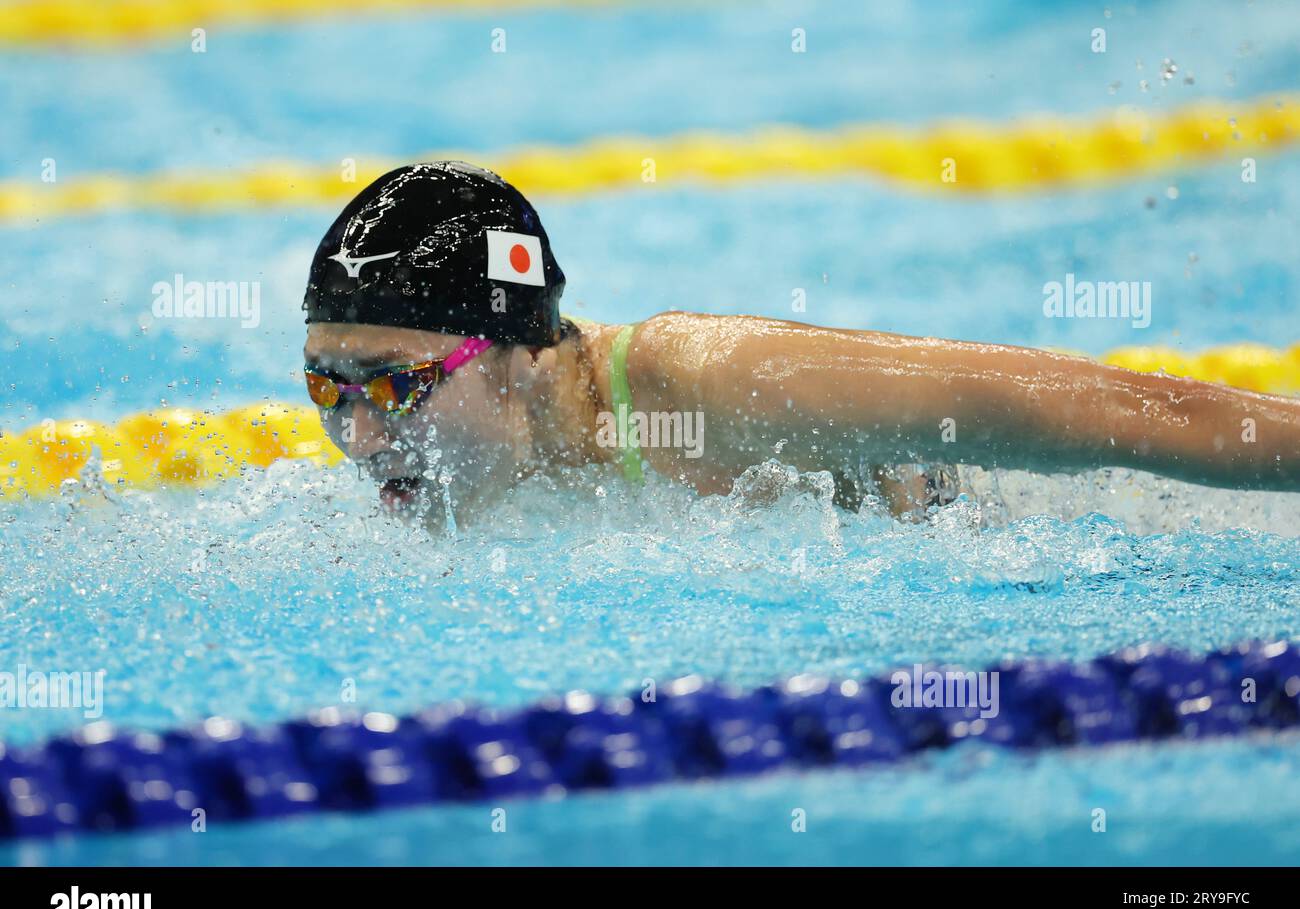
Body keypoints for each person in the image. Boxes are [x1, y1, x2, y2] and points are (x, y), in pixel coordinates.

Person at [302, 162, 1300, 527]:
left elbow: (1114, 411)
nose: (356, 436)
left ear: (517, 353)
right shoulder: (494, 482)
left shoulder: (708, 380)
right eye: (326, 388)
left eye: (394, 386)